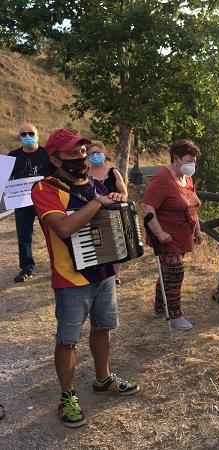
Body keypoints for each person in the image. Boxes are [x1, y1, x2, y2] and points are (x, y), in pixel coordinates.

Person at [31, 128, 139, 428]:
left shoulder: (92, 184)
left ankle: (103, 379)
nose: (80, 156)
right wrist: (97, 203)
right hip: (70, 277)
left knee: (104, 326)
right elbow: (63, 228)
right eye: (72, 153)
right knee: (67, 340)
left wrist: (115, 200)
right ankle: (67, 396)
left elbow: (105, 218)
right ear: (55, 159)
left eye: (82, 151)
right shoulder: (44, 189)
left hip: (103, 271)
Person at [141, 139, 203, 331]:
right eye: (189, 160)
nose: (192, 164)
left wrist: (197, 230)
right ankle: (175, 315)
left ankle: (160, 307)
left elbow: (192, 205)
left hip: (183, 234)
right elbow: (147, 206)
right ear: (176, 158)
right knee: (175, 272)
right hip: (166, 236)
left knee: (167, 272)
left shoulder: (187, 178)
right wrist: (159, 233)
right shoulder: (162, 179)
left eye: (194, 160)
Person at [8, 122, 52, 282]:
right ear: (19, 137)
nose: (27, 137)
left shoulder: (47, 154)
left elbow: (57, 176)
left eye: (31, 133)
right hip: (22, 203)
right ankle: (26, 269)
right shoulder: (12, 156)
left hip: (46, 202)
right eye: (23, 134)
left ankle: (58, 265)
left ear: (38, 135)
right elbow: (4, 179)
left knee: (52, 233)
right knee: (24, 236)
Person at [87, 140, 128, 285]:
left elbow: (124, 193)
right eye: (92, 154)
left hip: (113, 213)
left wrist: (114, 198)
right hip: (93, 213)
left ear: (104, 154)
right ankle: (101, 273)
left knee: (116, 243)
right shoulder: (85, 174)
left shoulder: (113, 172)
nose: (95, 156)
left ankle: (116, 275)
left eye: (98, 153)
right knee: (98, 242)